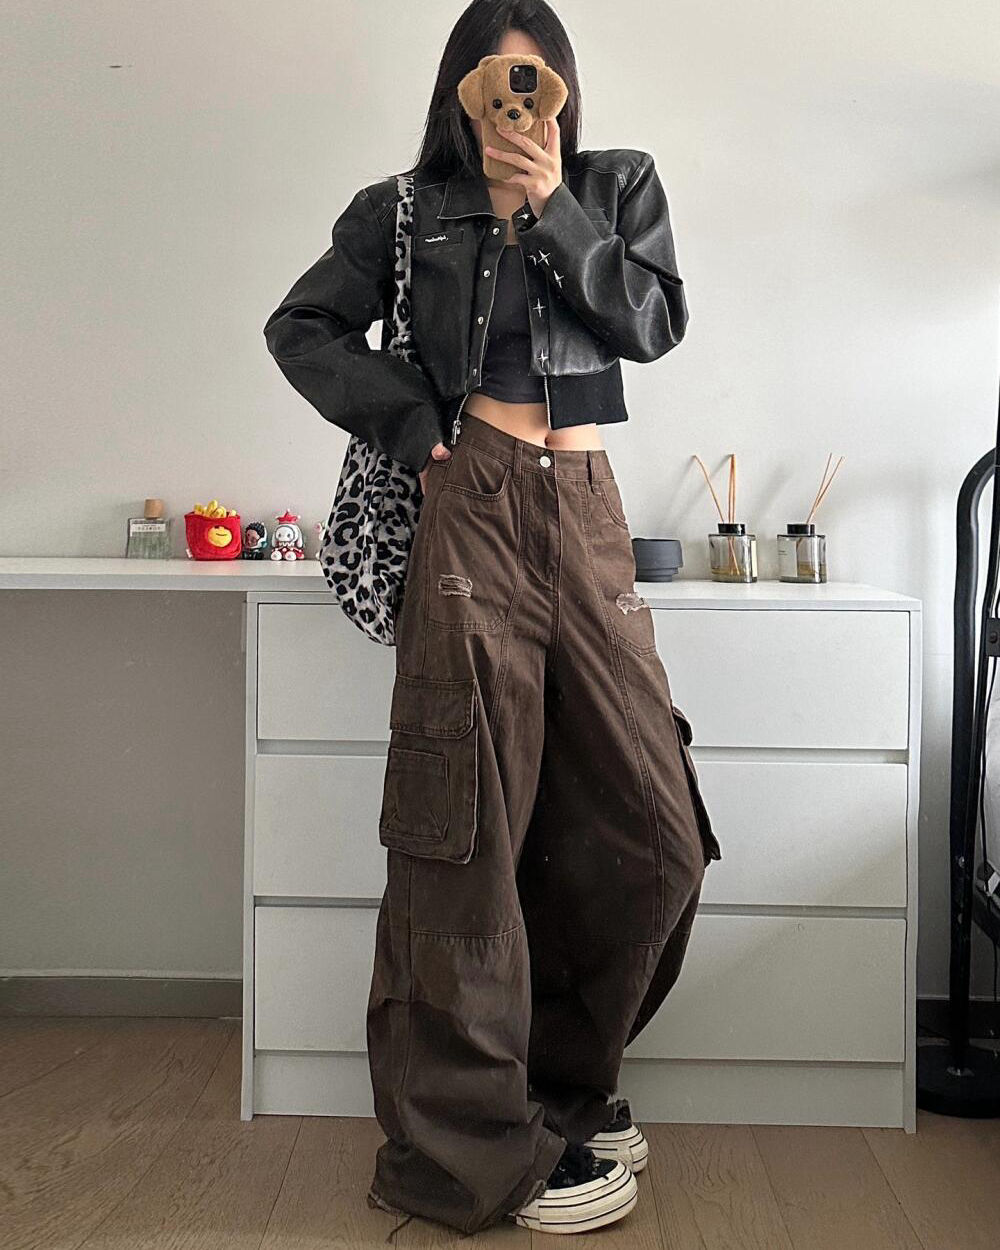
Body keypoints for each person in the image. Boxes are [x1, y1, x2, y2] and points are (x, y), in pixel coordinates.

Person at [262, 0, 720, 1237]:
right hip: (468, 504)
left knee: (653, 828)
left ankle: (553, 1094)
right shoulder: (402, 208)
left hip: (589, 508)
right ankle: (460, 1153)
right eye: (492, 80)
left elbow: (651, 324)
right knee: (459, 831)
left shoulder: (615, 185)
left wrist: (548, 205)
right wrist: (418, 428)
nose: (516, 102)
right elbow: (300, 326)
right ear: (458, 89)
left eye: (538, 79)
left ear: (564, 88)